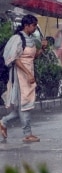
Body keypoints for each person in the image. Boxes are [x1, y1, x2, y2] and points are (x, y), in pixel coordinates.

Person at [1, 14, 42, 143]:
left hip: (29, 74)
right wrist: (28, 74)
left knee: (23, 106)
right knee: (24, 104)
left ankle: (3, 122)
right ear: (26, 25)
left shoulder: (30, 39)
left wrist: (42, 49)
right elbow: (15, 59)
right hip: (20, 75)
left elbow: (32, 57)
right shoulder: (17, 38)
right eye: (34, 25)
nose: (35, 28)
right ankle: (27, 134)